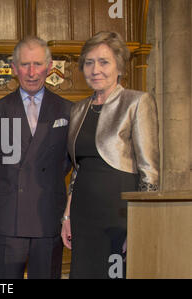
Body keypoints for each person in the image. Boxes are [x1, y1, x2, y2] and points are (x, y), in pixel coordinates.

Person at [61, 31, 160, 279]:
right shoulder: (78, 109)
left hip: (119, 216)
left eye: (104, 62)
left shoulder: (137, 102)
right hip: (84, 215)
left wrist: (139, 226)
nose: (96, 69)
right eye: (89, 62)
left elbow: (149, 171)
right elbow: (77, 169)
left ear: (119, 66)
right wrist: (67, 216)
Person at [0, 36, 72, 279]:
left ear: (49, 65)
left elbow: (66, 163)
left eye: (37, 64)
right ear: (13, 68)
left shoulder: (67, 109)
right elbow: (2, 162)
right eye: (24, 64)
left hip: (48, 215)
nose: (32, 72)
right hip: (9, 216)